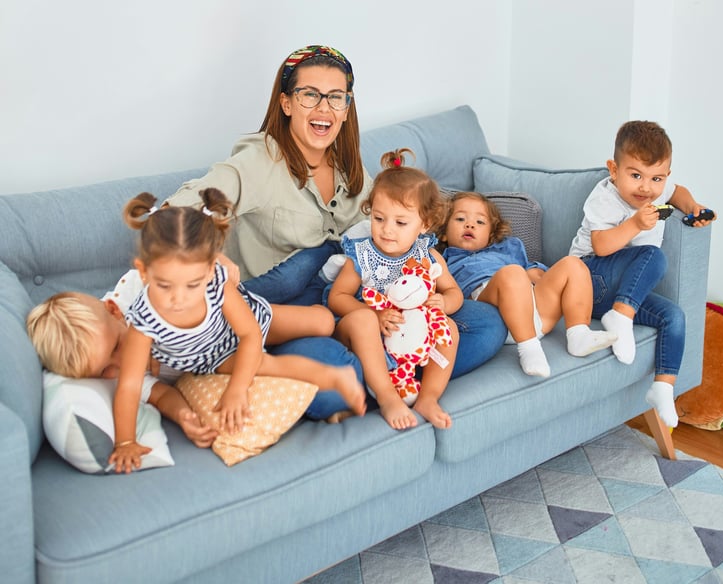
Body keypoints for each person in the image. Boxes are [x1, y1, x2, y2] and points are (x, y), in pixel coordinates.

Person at [162, 45, 508, 412]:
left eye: (335, 97)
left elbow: (395, 220)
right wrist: (211, 257)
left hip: (359, 300)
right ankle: (382, 374)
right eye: (310, 95)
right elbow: (172, 214)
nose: (324, 108)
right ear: (286, 103)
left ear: (346, 107)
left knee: (486, 324)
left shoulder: (348, 162)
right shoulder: (257, 161)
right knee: (336, 384)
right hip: (289, 312)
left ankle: (390, 371)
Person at [112, 188, 366, 473]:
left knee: (323, 323)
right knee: (266, 364)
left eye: (192, 285)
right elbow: (129, 386)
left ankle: (323, 299)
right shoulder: (142, 323)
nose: (178, 299)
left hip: (246, 326)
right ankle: (335, 376)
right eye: (164, 285)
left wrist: (237, 388)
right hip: (215, 358)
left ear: (210, 271)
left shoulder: (217, 284)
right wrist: (125, 442)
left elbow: (250, 334)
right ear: (143, 272)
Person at [568, 120, 716, 428]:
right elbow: (601, 246)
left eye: (656, 178)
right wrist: (634, 224)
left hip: (622, 292)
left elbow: (679, 193)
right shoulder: (604, 197)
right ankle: (620, 317)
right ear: (614, 170)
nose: (646, 188)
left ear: (666, 176)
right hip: (587, 281)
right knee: (653, 255)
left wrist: (692, 207)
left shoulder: (657, 193)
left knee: (673, 316)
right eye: (635, 175)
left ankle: (663, 387)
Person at [327, 148, 463, 431]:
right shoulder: (362, 255)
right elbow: (336, 298)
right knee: (363, 320)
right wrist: (374, 315)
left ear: (424, 224)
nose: (387, 230)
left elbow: (454, 292)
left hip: (407, 335)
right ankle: (387, 397)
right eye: (379, 219)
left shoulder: (428, 256)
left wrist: (444, 303)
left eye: (400, 222)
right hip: (363, 333)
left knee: (449, 328)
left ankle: (428, 397)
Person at [437, 192, 617, 378]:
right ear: (443, 233)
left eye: (480, 222)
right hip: (494, 314)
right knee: (512, 273)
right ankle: (529, 349)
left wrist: (536, 273)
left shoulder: (508, 249)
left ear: (491, 235)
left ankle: (579, 335)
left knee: (573, 264)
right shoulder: (441, 260)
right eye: (460, 219)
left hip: (535, 310)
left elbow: (532, 270)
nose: (470, 225)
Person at [26, 283, 218, 450]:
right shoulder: (118, 380)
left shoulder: (138, 293)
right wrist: (183, 415)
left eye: (116, 346)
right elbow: (162, 396)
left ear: (114, 311)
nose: (121, 363)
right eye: (104, 370)